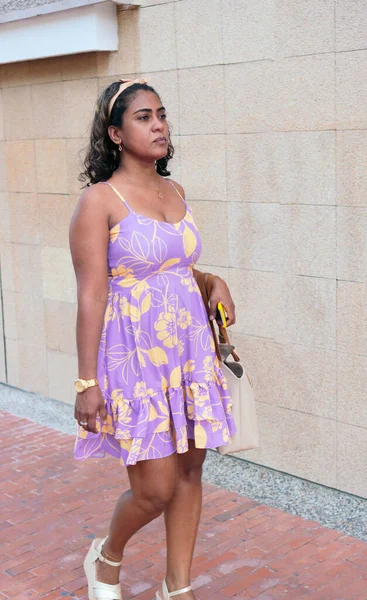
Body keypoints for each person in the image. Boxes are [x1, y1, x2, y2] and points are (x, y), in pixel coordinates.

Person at [69, 78, 236, 600]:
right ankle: (106, 555)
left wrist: (212, 282)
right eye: (144, 117)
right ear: (115, 133)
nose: (159, 124)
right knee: (155, 488)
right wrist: (86, 381)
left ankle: (177, 588)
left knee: (190, 467)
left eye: (161, 114)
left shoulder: (175, 191)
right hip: (134, 356)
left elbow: (177, 268)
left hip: (188, 350)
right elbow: (92, 295)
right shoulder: (99, 202)